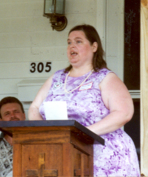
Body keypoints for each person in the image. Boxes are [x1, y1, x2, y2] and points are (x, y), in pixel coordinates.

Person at [28, 24, 140, 176]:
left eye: (78, 41)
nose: (71, 46)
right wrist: (48, 135)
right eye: (69, 42)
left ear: (94, 47)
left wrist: (83, 134)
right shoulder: (57, 78)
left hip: (105, 157)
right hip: (64, 154)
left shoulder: (104, 78)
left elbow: (123, 113)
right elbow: (34, 108)